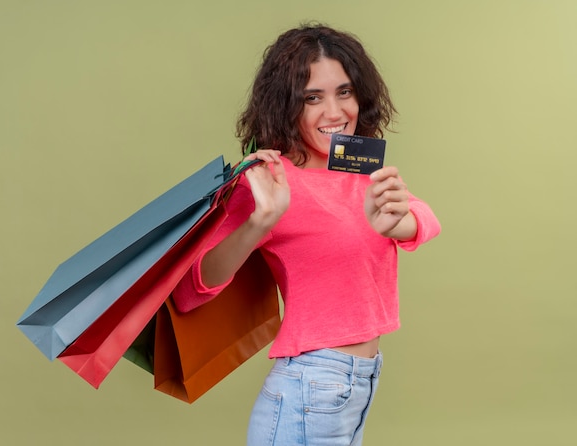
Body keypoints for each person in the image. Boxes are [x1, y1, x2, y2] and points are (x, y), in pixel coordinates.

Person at [173, 23, 441, 445]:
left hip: (357, 384)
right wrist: (259, 222)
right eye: (312, 98)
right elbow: (191, 290)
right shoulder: (269, 180)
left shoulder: (356, 164)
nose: (334, 112)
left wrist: (399, 222)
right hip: (310, 385)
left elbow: (424, 218)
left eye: (345, 92)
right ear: (285, 105)